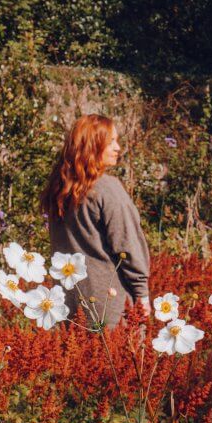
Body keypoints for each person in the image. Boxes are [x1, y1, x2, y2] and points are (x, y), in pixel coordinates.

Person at [40, 114, 151, 328]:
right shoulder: (107, 188)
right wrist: (142, 293)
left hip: (67, 303)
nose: (118, 148)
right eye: (111, 142)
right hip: (111, 305)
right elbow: (127, 246)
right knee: (118, 361)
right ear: (92, 145)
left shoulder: (59, 190)